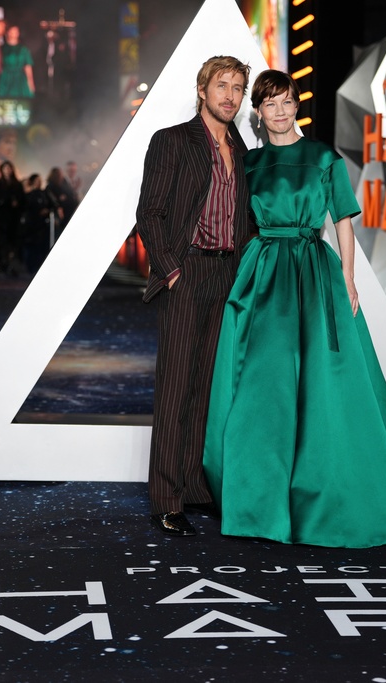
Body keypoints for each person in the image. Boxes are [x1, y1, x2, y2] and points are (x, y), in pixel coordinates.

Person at [201, 69, 386, 549]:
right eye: (271, 104)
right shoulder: (249, 164)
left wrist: (348, 279)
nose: (281, 111)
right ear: (259, 112)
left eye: (288, 101)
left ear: (296, 105)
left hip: (314, 271)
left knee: (326, 386)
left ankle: (327, 499)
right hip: (265, 274)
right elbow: (234, 223)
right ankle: (260, 503)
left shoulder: (324, 157)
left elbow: (344, 223)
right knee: (264, 387)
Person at [135, 55, 254, 537]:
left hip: (228, 276)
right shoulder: (172, 141)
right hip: (188, 273)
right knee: (176, 388)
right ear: (202, 89)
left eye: (239, 88)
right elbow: (151, 214)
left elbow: (246, 219)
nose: (230, 95)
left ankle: (193, 485)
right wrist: (173, 272)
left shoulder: (243, 150)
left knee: (209, 386)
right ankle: (166, 498)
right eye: (222, 85)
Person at [0, 160, 25, 275]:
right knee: (1, 242)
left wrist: (17, 204)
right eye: (5, 168)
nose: (7, 171)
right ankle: (1, 264)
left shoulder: (17, 185)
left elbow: (22, 200)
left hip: (13, 219)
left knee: (12, 243)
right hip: (1, 219)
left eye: (9, 168)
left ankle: (10, 264)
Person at [0, 24, 35, 99]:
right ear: (7, 33)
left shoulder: (23, 49)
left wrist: (31, 84)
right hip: (5, 78)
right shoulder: (1, 48)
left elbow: (28, 67)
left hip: (19, 79)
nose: (14, 33)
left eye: (16, 31)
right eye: (12, 31)